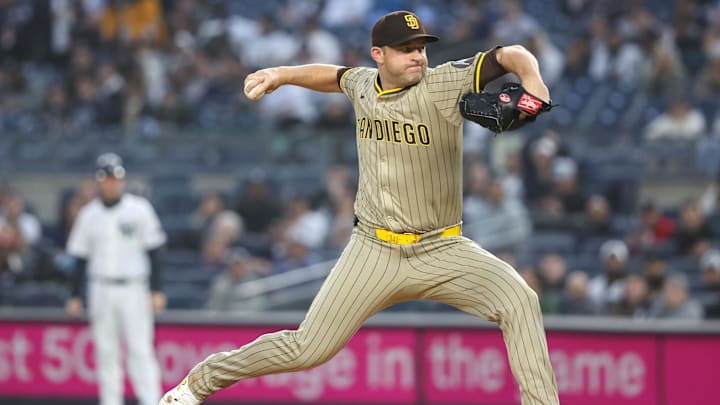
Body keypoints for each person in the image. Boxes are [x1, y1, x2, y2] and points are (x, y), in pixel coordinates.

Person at [161, 10, 559, 405]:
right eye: (406, 49)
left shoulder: (442, 82)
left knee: (520, 301)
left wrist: (534, 83)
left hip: (442, 247)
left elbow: (512, 53)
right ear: (378, 55)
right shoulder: (364, 85)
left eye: (420, 47)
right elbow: (334, 76)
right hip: (374, 249)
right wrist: (281, 74)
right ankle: (201, 382)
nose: (418, 56)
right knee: (307, 349)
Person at [66, 153, 167, 405]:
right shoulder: (89, 215)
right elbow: (80, 258)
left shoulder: (139, 209)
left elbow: (154, 251)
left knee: (140, 349)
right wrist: (75, 295)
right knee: (106, 352)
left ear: (122, 179)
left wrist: (156, 290)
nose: (112, 183)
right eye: (107, 179)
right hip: (100, 286)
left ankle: (151, 400)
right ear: (98, 181)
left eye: (116, 178)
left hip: (134, 287)